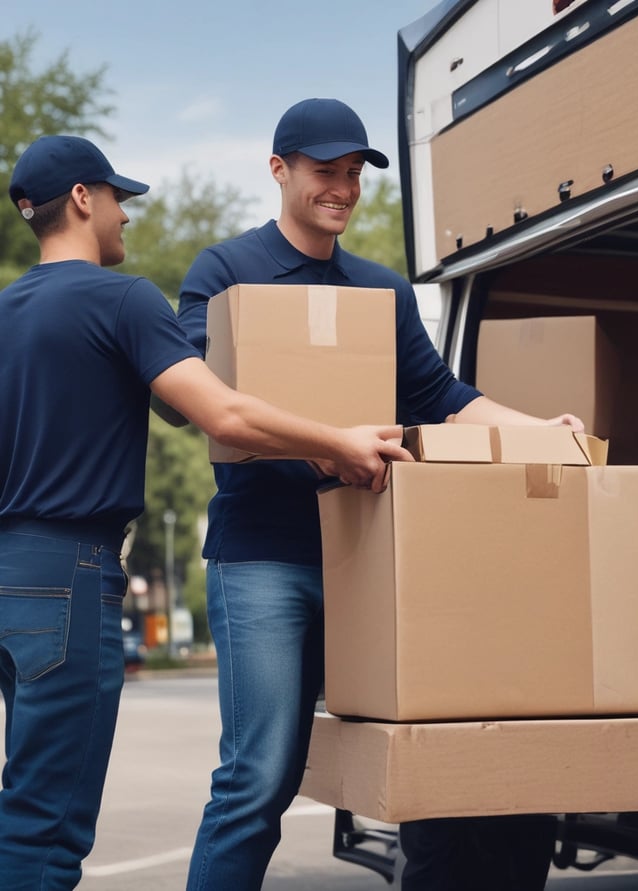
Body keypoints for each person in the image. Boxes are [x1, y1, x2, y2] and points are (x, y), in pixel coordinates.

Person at [175, 97, 583, 890]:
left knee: (429, 752)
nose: (344, 188)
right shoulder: (224, 273)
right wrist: (326, 446)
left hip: (373, 555)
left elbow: (442, 393)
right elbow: (206, 406)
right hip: (265, 557)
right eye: (326, 171)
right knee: (259, 777)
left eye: (355, 173)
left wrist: (546, 431)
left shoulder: (381, 289)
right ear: (278, 170)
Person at [0, 134, 411, 891]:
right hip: (72, 573)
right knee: (47, 826)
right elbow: (216, 414)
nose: (125, 216)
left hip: (8, 572)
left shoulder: (6, 309)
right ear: (84, 200)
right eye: (118, 199)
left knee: (21, 799)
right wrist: (339, 440)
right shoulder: (121, 298)